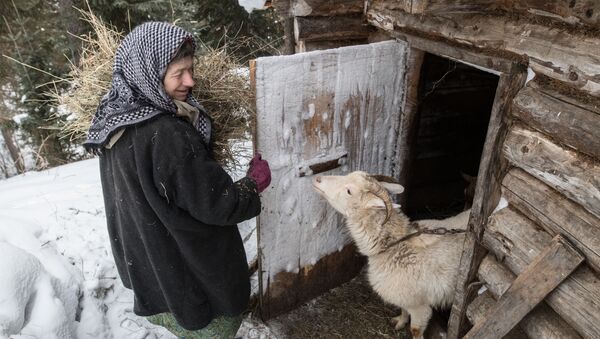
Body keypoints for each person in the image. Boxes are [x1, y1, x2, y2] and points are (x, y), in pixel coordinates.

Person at [84, 22, 271, 338]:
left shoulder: (112, 120)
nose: (191, 81)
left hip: (154, 276)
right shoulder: (166, 134)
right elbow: (218, 204)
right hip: (193, 281)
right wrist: (253, 183)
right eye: (178, 73)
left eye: (191, 69)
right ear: (149, 73)